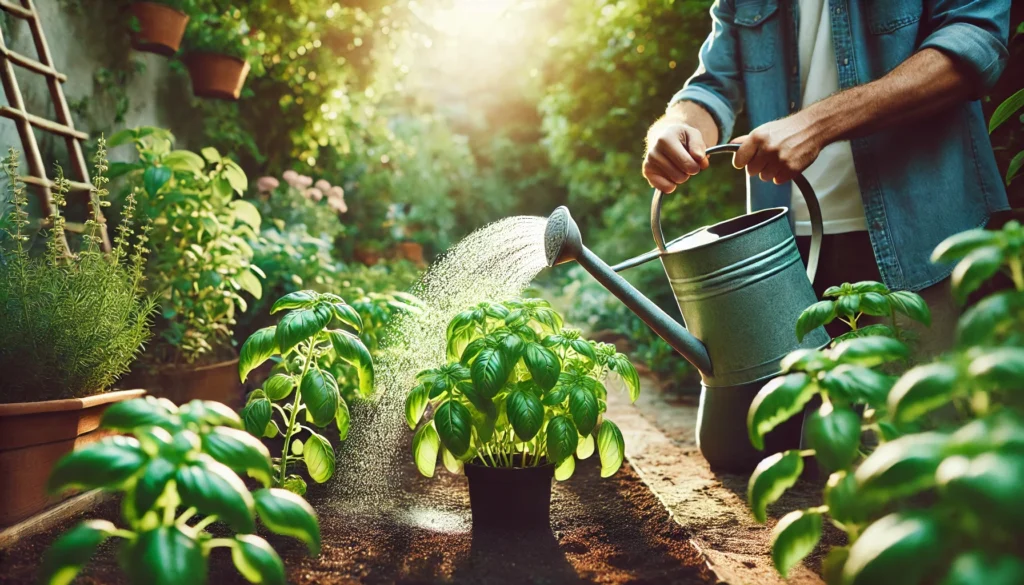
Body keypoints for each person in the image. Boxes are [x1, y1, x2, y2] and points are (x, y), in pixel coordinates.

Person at [643, 0, 1011, 352]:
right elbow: (713, 85)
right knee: (803, 413)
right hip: (784, 259)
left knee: (921, 410)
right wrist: (675, 127)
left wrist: (816, 125)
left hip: (923, 241)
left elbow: (976, 40)